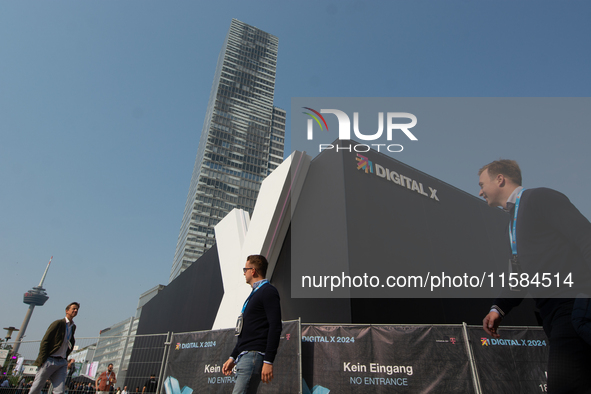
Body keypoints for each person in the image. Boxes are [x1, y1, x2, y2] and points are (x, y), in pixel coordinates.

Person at [478, 160, 591, 393]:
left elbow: (584, 235)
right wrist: (498, 308)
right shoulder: (512, 223)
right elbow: (520, 275)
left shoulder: (540, 198)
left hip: (572, 305)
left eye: (482, 184)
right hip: (551, 314)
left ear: (500, 179)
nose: (480, 191)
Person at [222, 255, 282, 394]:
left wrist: (268, 360)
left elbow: (275, 326)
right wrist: (233, 357)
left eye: (245, 269)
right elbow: (246, 331)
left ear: (253, 271)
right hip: (244, 356)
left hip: (253, 356)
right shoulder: (254, 294)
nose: (244, 272)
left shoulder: (268, 291)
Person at [28, 302, 79, 394]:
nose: (75, 311)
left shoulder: (73, 326)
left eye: (77, 309)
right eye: (73, 309)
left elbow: (70, 342)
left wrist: (66, 358)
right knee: (36, 387)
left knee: (60, 391)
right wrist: (43, 359)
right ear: (67, 311)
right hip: (50, 360)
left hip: (62, 362)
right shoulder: (58, 323)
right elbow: (45, 341)